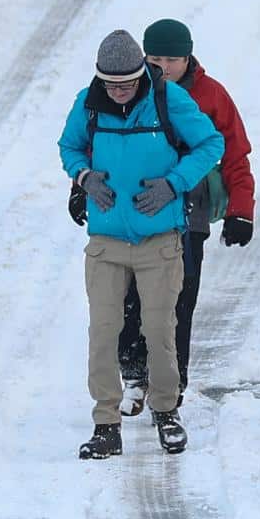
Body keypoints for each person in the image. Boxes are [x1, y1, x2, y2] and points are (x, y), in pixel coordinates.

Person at [59, 29, 223, 460]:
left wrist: (175, 184)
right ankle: (106, 424)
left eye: (127, 84)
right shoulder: (88, 103)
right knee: (103, 332)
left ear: (141, 76)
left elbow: (211, 143)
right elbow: (69, 146)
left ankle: (167, 412)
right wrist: (83, 176)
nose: (118, 92)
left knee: (159, 329)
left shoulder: (169, 100)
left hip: (160, 240)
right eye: (110, 85)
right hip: (107, 242)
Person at [116, 18, 256, 414]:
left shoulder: (210, 96)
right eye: (155, 57)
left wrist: (241, 211)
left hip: (188, 213)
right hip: (134, 212)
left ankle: (171, 383)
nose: (163, 66)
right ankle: (134, 375)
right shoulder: (127, 90)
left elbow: (234, 154)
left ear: (188, 56)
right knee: (129, 296)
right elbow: (101, 144)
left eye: (172, 59)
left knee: (178, 299)